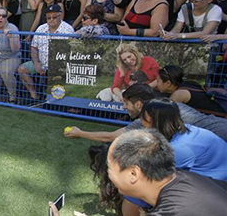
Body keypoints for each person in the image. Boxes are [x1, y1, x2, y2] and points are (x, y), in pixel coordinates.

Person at [106, 129, 227, 216]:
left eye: (110, 168)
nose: (109, 174)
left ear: (133, 173)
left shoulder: (172, 211)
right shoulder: (188, 177)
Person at [64, 84, 227, 142]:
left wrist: (81, 133)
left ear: (138, 104)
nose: (124, 107)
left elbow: (112, 137)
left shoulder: (150, 116)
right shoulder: (166, 106)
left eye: (126, 103)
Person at [140, 98, 227, 181]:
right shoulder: (186, 129)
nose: (141, 121)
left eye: (143, 117)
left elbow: (158, 179)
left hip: (217, 185)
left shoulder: (179, 147)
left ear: (152, 121)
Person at [18, 4, 74, 99]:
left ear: (60, 16)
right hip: (41, 63)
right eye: (48, 17)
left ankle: (53, 101)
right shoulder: (41, 28)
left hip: (59, 67)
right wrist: (36, 63)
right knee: (21, 69)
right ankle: (34, 96)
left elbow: (71, 52)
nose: (51, 19)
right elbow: (34, 48)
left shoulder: (68, 30)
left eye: (54, 17)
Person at [156, 65, 226, 117]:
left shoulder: (179, 94)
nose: (156, 83)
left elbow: (165, 116)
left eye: (158, 81)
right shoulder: (187, 84)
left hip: (219, 121)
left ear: (168, 83)